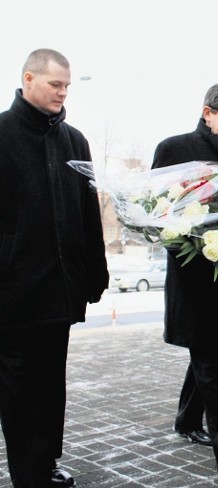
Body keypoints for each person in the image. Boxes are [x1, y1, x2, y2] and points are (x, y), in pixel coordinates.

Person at [0, 48, 109, 488]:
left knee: (50, 386)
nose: (63, 93)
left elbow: (88, 212)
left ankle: (44, 463)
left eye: (66, 85)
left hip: (59, 290)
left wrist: (95, 273)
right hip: (12, 292)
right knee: (19, 390)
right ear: (28, 79)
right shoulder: (2, 135)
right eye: (55, 85)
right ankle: (29, 476)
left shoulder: (74, 141)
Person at [152, 83, 218, 482]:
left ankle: (186, 420)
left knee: (213, 354)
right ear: (208, 112)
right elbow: (156, 209)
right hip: (195, 278)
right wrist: (188, 232)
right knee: (214, 361)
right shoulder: (175, 149)